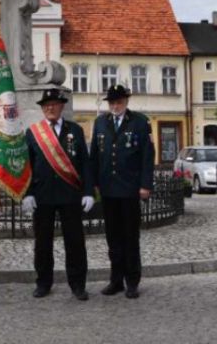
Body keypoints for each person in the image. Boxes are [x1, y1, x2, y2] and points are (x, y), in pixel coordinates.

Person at [22, 88, 94, 301]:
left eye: (54, 104)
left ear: (62, 106)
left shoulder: (75, 130)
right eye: (46, 105)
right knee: (43, 243)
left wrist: (88, 192)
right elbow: (27, 165)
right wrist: (28, 193)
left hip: (70, 194)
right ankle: (43, 283)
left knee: (75, 243)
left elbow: (85, 163)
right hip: (42, 196)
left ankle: (78, 284)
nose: (50, 108)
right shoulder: (33, 132)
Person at [89, 84, 155, 299]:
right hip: (108, 190)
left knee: (130, 237)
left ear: (126, 102)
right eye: (112, 103)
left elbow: (147, 155)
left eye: (119, 102)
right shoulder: (100, 122)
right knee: (113, 238)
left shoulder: (140, 122)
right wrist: (94, 183)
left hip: (129, 189)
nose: (115, 106)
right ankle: (116, 280)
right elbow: (94, 156)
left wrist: (145, 185)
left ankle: (132, 281)